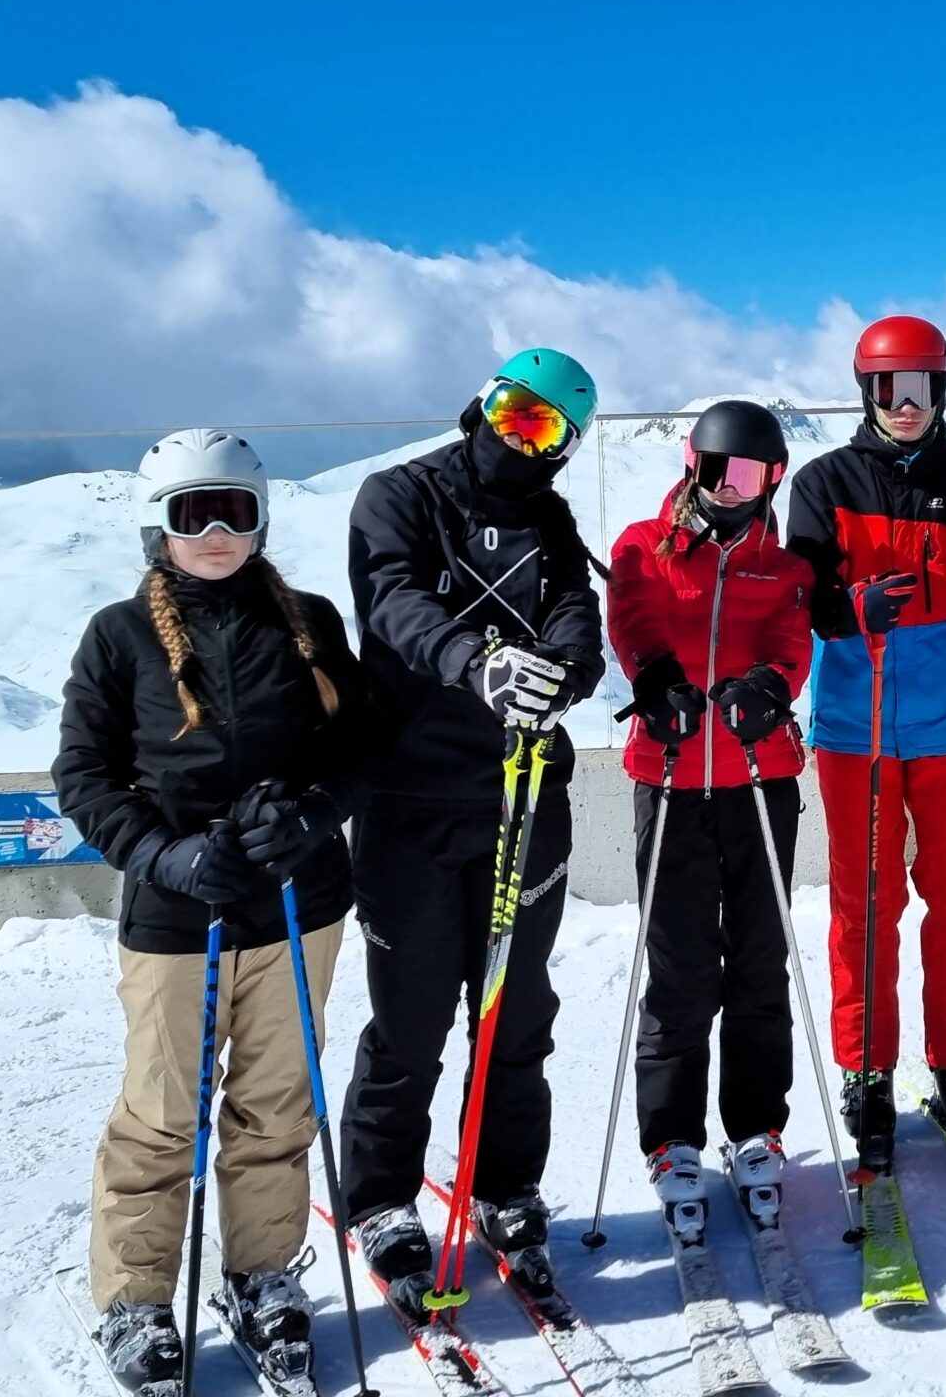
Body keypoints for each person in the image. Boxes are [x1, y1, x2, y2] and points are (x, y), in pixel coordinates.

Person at [54, 428, 368, 1392]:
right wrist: (166, 854)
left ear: (262, 517)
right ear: (159, 526)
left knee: (276, 1104)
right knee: (161, 1113)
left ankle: (262, 1273)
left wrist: (309, 817)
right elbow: (84, 774)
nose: (218, 532)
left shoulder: (308, 622)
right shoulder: (120, 635)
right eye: (195, 514)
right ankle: (136, 1298)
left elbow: (356, 747)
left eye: (236, 510)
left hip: (296, 904)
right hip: (176, 915)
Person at [335, 349, 606, 1298]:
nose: (517, 439)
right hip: (411, 796)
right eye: (510, 411)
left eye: (543, 428)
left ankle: (504, 1183)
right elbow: (392, 600)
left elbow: (576, 611)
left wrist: (563, 674)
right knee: (410, 1018)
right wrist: (476, 662)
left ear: (564, 449)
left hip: (521, 794)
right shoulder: (399, 495)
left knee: (514, 1008)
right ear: (481, 404)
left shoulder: (551, 519)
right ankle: (381, 1195)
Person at [783, 316, 946, 1171]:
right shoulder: (823, 483)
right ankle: (867, 1067)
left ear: (942, 389)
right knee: (867, 904)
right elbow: (801, 596)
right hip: (857, 731)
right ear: (867, 391)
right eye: (889, 388)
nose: (907, 403)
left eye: (922, 386)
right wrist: (849, 609)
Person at [609, 399, 815, 1220]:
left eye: (751, 476)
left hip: (759, 776)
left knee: (760, 958)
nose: (731, 489)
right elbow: (632, 618)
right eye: (718, 471)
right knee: (682, 965)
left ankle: (757, 1126)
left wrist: (769, 685)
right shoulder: (642, 545)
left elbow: (791, 642)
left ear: (773, 480)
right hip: (669, 770)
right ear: (692, 465)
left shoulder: (785, 567)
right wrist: (657, 680)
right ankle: (672, 1136)